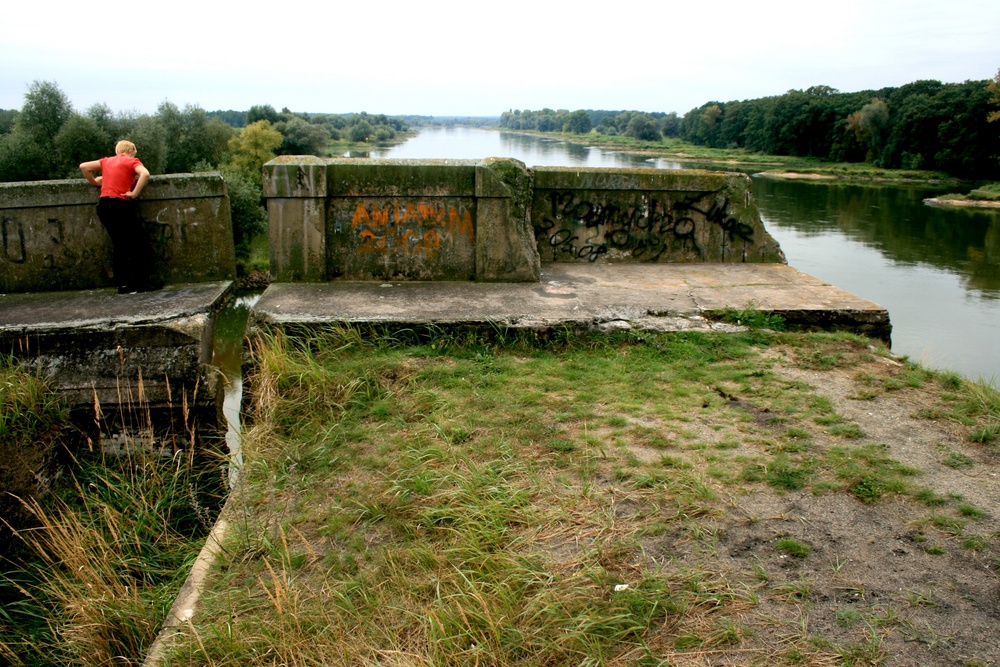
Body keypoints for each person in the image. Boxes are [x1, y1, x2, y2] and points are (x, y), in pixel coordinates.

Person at [80, 140, 158, 293]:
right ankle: (140, 283)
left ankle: (123, 285)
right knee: (136, 243)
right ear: (131, 151)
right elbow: (145, 174)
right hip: (120, 205)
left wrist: (95, 181)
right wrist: (134, 193)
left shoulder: (106, 161)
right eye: (135, 152)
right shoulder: (131, 161)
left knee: (120, 245)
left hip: (104, 207)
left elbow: (84, 166)